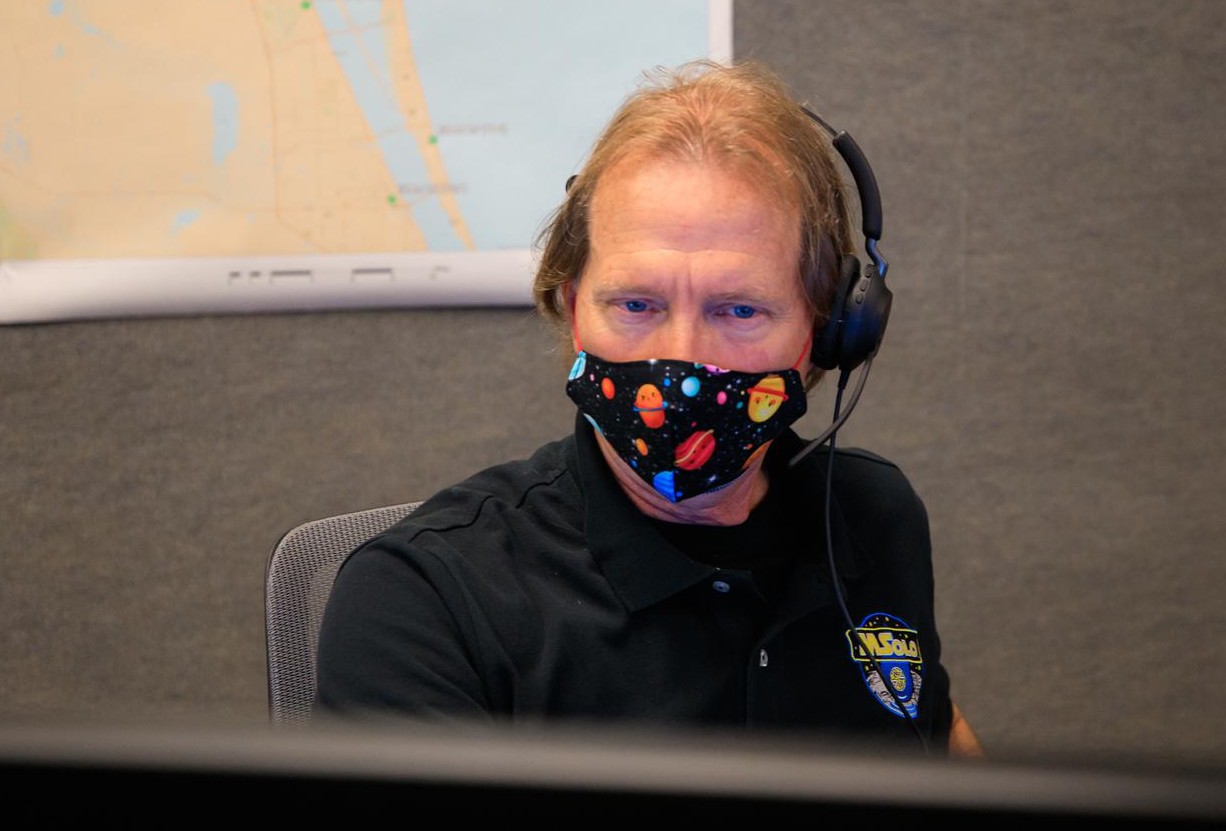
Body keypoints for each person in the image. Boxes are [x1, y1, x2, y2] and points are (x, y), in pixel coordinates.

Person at [316, 60, 981, 755]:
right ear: (576, 312)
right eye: (637, 304)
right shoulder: (424, 599)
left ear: (826, 334)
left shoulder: (873, 513)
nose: (682, 358)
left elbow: (935, 736)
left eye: (739, 309)